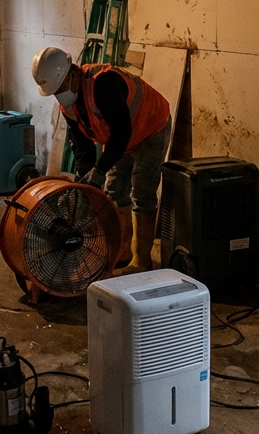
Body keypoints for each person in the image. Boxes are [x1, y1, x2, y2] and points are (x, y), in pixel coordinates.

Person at [31, 47, 170, 275]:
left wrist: (101, 169)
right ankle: (123, 250)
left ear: (71, 73)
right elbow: (83, 149)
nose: (59, 94)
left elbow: (121, 134)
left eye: (60, 87)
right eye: (54, 91)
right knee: (115, 190)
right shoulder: (68, 106)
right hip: (120, 136)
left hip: (150, 127)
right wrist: (86, 184)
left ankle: (142, 261)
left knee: (143, 192)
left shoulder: (103, 84)